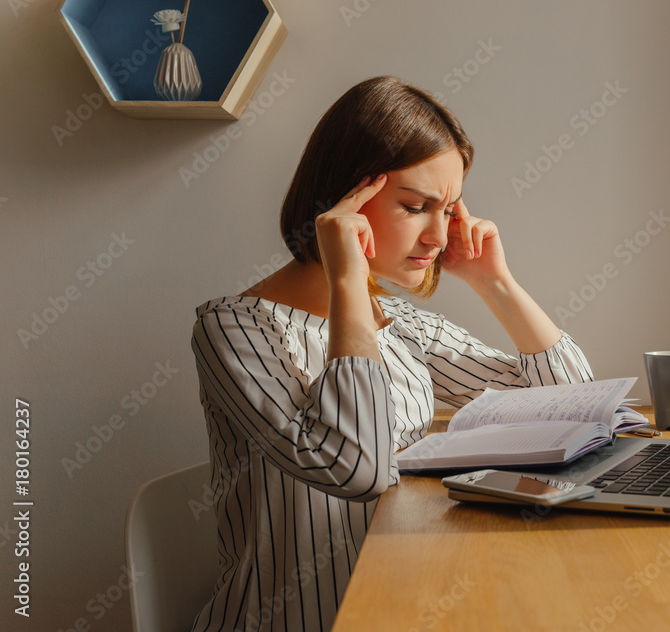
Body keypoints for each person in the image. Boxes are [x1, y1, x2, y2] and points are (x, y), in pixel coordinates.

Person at [190, 76, 593, 631]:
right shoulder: (234, 329)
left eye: (448, 209)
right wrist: (348, 281)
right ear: (343, 201)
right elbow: (356, 468)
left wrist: (494, 281)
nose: (438, 235)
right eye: (416, 206)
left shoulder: (401, 327)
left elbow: (571, 406)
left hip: (400, 608)